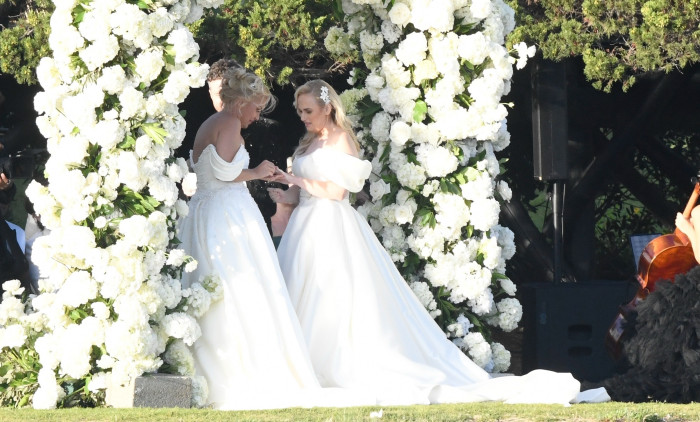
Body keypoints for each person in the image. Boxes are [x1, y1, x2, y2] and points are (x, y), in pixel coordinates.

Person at [270, 79, 609, 406]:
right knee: (305, 292)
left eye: (308, 111)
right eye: (300, 112)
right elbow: (304, 189)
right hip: (306, 226)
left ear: (327, 108)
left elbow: (338, 192)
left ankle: (336, 363)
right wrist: (285, 191)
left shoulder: (342, 139)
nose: (303, 118)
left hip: (332, 227)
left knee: (337, 295)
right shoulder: (308, 143)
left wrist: (297, 178)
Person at [176, 68, 370, 410]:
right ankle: (246, 368)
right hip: (227, 215)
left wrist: (286, 186)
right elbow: (227, 173)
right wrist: (258, 172)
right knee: (243, 290)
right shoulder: (230, 123)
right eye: (255, 108)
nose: (256, 117)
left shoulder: (210, 123)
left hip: (211, 214)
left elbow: (337, 191)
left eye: (306, 111)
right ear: (243, 102)